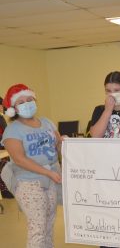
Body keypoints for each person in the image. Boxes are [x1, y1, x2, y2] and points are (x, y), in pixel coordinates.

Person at [1, 84, 62, 248]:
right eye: (21, 102)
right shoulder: (12, 130)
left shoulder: (46, 122)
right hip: (28, 183)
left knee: (49, 225)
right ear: (13, 109)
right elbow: (19, 159)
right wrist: (47, 173)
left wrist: (64, 142)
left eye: (30, 99)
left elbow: (58, 145)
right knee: (38, 228)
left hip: (51, 180)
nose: (27, 103)